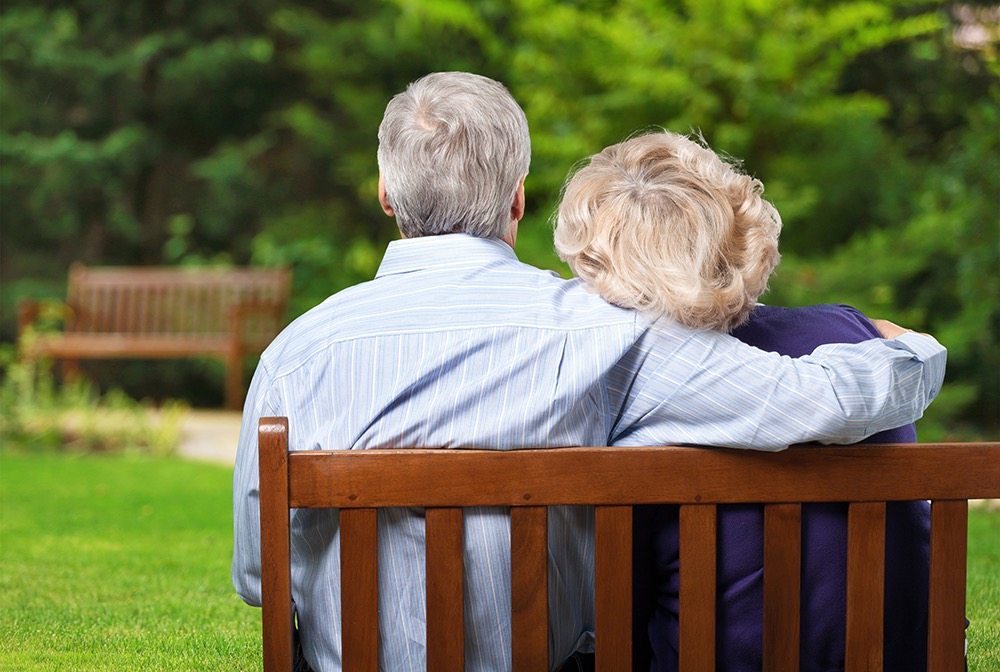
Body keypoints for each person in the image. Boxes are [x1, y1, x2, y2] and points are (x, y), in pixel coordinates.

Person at [233, 72, 946, 672]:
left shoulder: (294, 355)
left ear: (386, 196)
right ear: (517, 199)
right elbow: (820, 401)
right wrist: (911, 347)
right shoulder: (608, 335)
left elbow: (259, 578)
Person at [553, 130, 931, 671]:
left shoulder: (631, 391)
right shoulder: (855, 336)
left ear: (596, 263)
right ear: (742, 235)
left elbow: (617, 620)